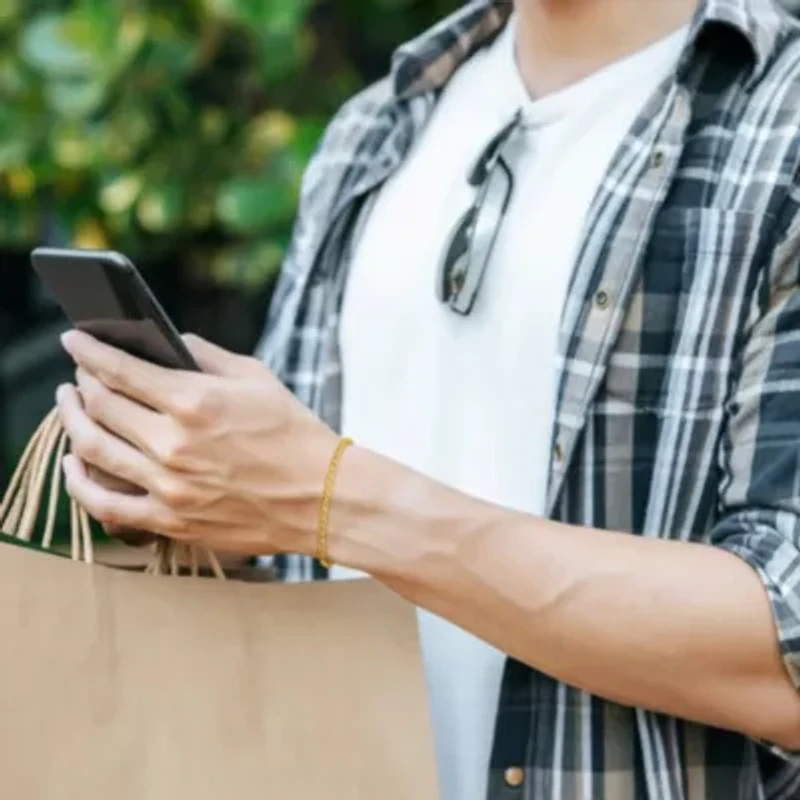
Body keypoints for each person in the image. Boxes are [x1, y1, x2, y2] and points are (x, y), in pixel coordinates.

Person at [55, 0, 800, 797]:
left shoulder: (780, 128)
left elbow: (785, 658)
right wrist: (191, 490)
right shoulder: (374, 128)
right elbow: (287, 544)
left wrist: (331, 498)